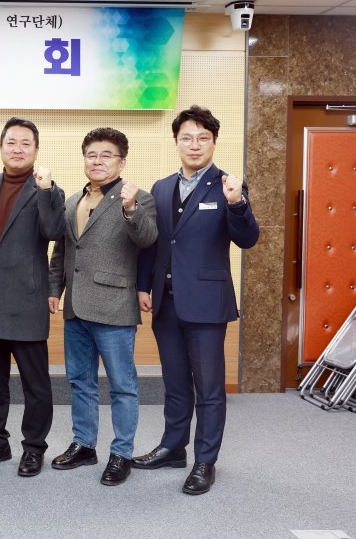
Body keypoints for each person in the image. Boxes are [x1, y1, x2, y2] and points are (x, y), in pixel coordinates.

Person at [133, 105, 259, 495]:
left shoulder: (228, 185)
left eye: (203, 137)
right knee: (174, 384)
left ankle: (205, 460)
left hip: (206, 302)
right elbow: (153, 243)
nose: (194, 144)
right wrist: (143, 285)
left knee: (209, 388)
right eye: (186, 137)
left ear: (214, 142)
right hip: (166, 302)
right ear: (176, 142)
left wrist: (237, 204)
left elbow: (247, 238)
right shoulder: (161, 187)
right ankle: (173, 448)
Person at [48, 127, 157, 486]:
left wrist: (130, 208)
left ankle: (121, 453)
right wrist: (55, 289)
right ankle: (84, 444)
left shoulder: (138, 198)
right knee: (80, 381)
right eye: (91, 154)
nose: (97, 161)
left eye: (106, 155)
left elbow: (147, 239)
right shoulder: (71, 201)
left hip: (114, 307)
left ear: (122, 162)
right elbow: (63, 252)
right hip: (75, 308)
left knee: (122, 386)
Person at [0, 117, 65, 478]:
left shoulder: (48, 190)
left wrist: (45, 190)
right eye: (11, 142)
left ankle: (34, 448)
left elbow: (53, 231)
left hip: (27, 302)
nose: (18, 149)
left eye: (26, 143)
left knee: (35, 385)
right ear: (1, 147)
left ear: (36, 150)